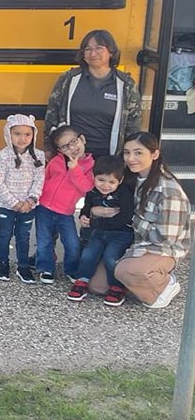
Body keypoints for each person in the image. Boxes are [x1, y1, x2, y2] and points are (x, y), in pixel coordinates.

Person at [113, 132, 192, 309]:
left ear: (154, 154)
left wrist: (131, 219)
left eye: (138, 152)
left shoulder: (168, 190)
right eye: (127, 152)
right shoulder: (135, 178)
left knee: (125, 271)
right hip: (139, 242)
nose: (131, 158)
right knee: (99, 285)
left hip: (163, 249)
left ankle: (165, 284)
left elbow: (165, 238)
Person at [44, 29, 141, 159]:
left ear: (111, 51)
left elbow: (133, 125)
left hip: (108, 158)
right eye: (88, 49)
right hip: (72, 156)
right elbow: (52, 113)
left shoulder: (126, 85)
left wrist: (127, 157)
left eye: (99, 48)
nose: (93, 53)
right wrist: (49, 148)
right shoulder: (68, 79)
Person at [66, 155, 135, 306]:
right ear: (93, 177)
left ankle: (117, 286)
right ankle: (82, 280)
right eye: (101, 180)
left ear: (120, 181)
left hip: (121, 233)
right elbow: (86, 207)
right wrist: (84, 215)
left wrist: (98, 223)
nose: (105, 185)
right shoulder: (92, 191)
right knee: (88, 254)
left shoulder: (123, 193)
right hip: (99, 232)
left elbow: (125, 216)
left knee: (112, 257)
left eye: (112, 182)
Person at [34, 125, 94, 285]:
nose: (72, 148)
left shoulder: (90, 165)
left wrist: (75, 169)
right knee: (44, 240)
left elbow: (86, 187)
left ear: (82, 139)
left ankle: (71, 269)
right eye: (65, 146)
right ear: (60, 151)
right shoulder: (56, 161)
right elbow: (44, 179)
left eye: (74, 142)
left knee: (72, 243)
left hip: (65, 212)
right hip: (44, 208)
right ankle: (46, 268)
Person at [0, 114, 45, 283]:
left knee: (24, 236)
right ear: (9, 133)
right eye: (17, 134)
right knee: (4, 235)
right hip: (7, 206)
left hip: (28, 207)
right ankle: (3, 264)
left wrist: (31, 200)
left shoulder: (39, 156)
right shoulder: (2, 156)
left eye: (27, 134)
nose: (22, 138)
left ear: (33, 135)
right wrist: (14, 203)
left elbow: (40, 179)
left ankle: (23, 267)